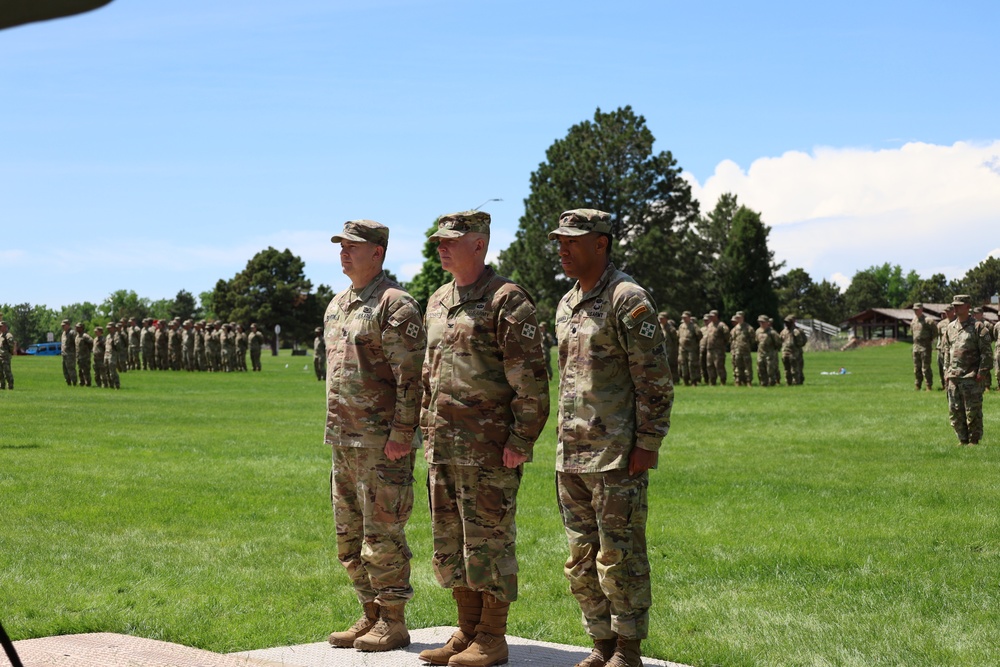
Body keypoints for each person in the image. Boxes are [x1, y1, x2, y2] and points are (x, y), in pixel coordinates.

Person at [418, 210, 550, 667]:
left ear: (479, 243)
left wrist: (521, 439)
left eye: (452, 240)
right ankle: (467, 630)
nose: (441, 246)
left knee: (489, 542)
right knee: (450, 542)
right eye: (439, 240)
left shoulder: (507, 301)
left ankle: (492, 637)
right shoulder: (436, 300)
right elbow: (427, 374)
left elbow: (531, 381)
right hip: (442, 447)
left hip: (489, 450)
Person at [549, 209, 674, 667]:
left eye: (573, 241)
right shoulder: (566, 303)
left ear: (601, 243)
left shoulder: (628, 298)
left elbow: (654, 378)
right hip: (572, 455)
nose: (563, 249)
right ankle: (600, 644)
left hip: (616, 454)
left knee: (619, 557)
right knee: (580, 560)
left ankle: (627, 648)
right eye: (559, 241)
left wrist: (648, 442)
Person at [323, 220, 427, 653]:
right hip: (343, 440)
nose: (344, 252)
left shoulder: (394, 305)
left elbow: (411, 377)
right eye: (341, 246)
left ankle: (394, 621)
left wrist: (403, 432)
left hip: (383, 443)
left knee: (382, 535)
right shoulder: (336, 305)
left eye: (353, 247)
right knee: (348, 536)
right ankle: (370, 613)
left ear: (378, 253)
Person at [941, 295, 992, 445]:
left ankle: (974, 440)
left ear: (968, 306)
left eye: (959, 305)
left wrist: (981, 373)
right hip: (953, 377)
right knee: (955, 411)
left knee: (973, 411)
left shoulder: (978, 327)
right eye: (954, 305)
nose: (955, 308)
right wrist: (946, 372)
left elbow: (986, 353)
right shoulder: (950, 328)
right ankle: (962, 439)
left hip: (971, 377)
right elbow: (946, 351)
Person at [910, 303, 937, 391]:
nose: (916, 311)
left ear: (921, 309)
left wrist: (930, 339)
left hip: (925, 347)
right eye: (914, 310)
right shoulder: (913, 321)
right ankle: (918, 385)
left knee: (925, 368)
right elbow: (912, 332)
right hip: (916, 347)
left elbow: (935, 331)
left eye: (917, 309)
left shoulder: (928, 321)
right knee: (916, 367)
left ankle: (928, 386)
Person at [728, 311, 754, 386]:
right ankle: (738, 381)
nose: (738, 319)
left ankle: (748, 381)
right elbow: (732, 340)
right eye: (737, 318)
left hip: (746, 350)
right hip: (737, 350)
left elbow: (753, 339)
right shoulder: (734, 329)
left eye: (739, 317)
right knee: (738, 366)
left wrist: (747, 345)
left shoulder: (748, 328)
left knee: (747, 366)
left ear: (743, 317)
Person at [780, 316, 807, 386]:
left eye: (788, 322)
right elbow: (780, 340)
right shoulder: (783, 331)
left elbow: (802, 342)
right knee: (786, 369)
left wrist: (796, 347)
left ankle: (796, 382)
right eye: (786, 323)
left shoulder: (796, 331)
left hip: (794, 353)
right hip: (785, 353)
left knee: (795, 369)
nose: (787, 324)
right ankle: (788, 382)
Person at [677, 311, 701, 386]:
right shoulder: (681, 326)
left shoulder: (694, 326)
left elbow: (699, 335)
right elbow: (678, 336)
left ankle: (693, 381)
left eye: (685, 317)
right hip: (682, 349)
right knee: (683, 364)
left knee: (692, 364)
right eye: (683, 317)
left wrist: (694, 343)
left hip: (691, 349)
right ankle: (685, 380)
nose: (684, 318)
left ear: (689, 317)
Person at [704, 310, 729, 386]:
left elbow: (727, 336)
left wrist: (722, 344)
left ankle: (722, 381)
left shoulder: (721, 325)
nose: (711, 317)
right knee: (709, 365)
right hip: (709, 349)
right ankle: (712, 381)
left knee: (719, 365)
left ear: (716, 316)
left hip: (718, 349)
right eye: (710, 316)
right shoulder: (710, 325)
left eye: (712, 316)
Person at [755, 315, 779, 387]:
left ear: (767, 322)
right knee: (760, 369)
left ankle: (772, 383)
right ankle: (763, 383)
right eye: (760, 322)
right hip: (761, 354)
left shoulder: (772, 332)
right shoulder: (758, 331)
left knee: (770, 370)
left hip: (770, 354)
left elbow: (778, 343)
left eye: (763, 322)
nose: (761, 323)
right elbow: (757, 341)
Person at [936, 305, 955, 391]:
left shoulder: (957, 322)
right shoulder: (941, 324)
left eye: (948, 311)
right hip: (942, 349)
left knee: (951, 368)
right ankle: (944, 385)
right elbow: (938, 336)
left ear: (953, 311)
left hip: (952, 350)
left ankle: (951, 385)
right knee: (941, 368)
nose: (947, 313)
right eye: (946, 311)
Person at [658, 312, 679, 384]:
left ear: (666, 319)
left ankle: (675, 380)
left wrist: (675, 350)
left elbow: (675, 340)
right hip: (662, 349)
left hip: (671, 350)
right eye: (659, 318)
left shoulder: (671, 329)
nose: (660, 320)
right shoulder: (659, 327)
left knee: (672, 365)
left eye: (662, 318)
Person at [75, 322, 94, 387]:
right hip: (79, 357)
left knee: (86, 371)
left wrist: (89, 349)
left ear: (82, 328)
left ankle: (88, 383)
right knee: (80, 371)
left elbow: (91, 341)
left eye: (78, 327)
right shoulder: (77, 336)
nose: (77, 328)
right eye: (76, 327)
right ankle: (82, 382)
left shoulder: (85, 336)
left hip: (85, 357)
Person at [60, 319, 77, 386]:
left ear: (68, 325)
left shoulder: (72, 333)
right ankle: (68, 382)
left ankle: (74, 382)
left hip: (70, 355)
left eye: (64, 325)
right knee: (65, 370)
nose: (63, 327)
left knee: (71, 369)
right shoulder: (63, 333)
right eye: (62, 326)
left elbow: (76, 343)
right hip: (64, 354)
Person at [104, 321, 121, 389]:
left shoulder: (116, 336)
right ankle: (110, 385)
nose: (108, 329)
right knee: (106, 370)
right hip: (106, 354)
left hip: (112, 355)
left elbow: (118, 346)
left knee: (112, 371)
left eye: (110, 328)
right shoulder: (108, 336)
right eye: (108, 328)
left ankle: (117, 384)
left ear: (114, 328)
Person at [0, 321, 14, 390]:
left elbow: (11, 345)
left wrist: (9, 353)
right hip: (0, 356)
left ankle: (10, 386)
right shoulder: (1, 335)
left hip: (5, 357)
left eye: (1, 327)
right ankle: (2, 386)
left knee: (7, 372)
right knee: (0, 373)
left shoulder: (8, 335)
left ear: (5, 327)